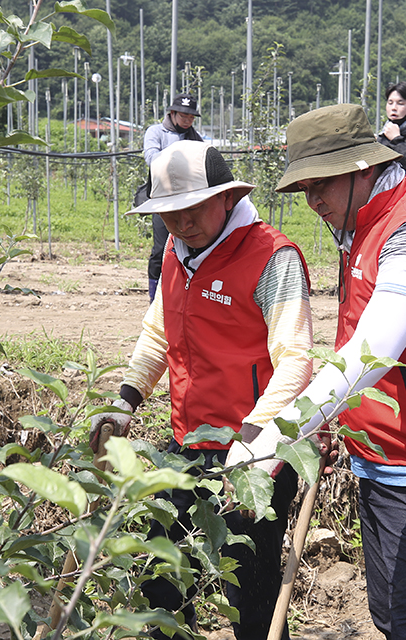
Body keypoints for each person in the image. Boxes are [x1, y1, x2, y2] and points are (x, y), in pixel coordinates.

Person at [233, 104, 406, 640]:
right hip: (381, 461)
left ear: (361, 169)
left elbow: (372, 352)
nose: (312, 203)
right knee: (394, 619)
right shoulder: (363, 225)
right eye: (302, 189)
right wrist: (334, 419)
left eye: (320, 185)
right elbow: (352, 342)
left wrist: (283, 432)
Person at [91, 140, 313, 640]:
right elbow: (158, 332)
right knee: (162, 585)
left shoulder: (272, 258)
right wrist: (124, 401)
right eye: (170, 213)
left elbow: (295, 360)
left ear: (227, 199)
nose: (182, 223)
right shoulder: (175, 251)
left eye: (193, 209)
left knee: (249, 597)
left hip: (254, 456)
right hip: (187, 447)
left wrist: (254, 444)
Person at [140, 93, 204, 302]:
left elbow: (205, 159)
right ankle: (154, 299)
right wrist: (179, 157)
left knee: (195, 246)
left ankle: (186, 295)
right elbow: (151, 157)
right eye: (184, 116)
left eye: (191, 117)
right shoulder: (155, 132)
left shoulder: (194, 137)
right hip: (163, 200)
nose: (188, 120)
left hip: (190, 201)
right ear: (173, 113)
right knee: (160, 249)